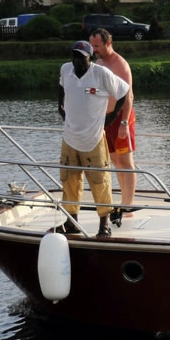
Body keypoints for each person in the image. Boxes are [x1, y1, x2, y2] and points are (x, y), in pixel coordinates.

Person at [53, 40, 129, 237]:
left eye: (81, 56)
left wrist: (112, 118)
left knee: (100, 181)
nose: (76, 60)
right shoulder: (65, 69)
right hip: (69, 137)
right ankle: (71, 222)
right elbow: (62, 86)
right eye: (74, 55)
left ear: (90, 57)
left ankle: (104, 224)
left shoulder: (100, 74)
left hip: (93, 138)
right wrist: (60, 106)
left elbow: (124, 91)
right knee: (69, 180)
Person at [90, 28, 136, 218]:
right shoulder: (99, 63)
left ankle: (128, 206)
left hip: (121, 118)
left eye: (97, 46)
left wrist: (124, 122)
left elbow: (128, 95)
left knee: (125, 161)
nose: (94, 50)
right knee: (115, 160)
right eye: (92, 45)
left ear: (108, 43)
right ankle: (123, 202)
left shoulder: (120, 64)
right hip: (104, 118)